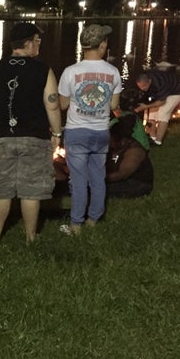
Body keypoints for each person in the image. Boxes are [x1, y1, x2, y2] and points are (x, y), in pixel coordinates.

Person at [0, 22, 63, 244]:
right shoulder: (43, 70)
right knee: (31, 190)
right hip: (35, 137)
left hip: (3, 137)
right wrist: (57, 133)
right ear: (27, 43)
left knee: (2, 189)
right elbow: (52, 105)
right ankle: (30, 236)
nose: (39, 46)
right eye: (37, 41)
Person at [58, 24, 121, 235]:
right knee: (97, 177)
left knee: (78, 180)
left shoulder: (70, 72)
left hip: (76, 132)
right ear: (102, 45)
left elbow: (64, 105)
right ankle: (94, 220)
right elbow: (113, 106)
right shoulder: (113, 72)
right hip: (101, 132)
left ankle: (76, 225)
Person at [106, 114, 154, 198]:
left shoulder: (134, 151)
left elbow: (122, 174)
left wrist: (97, 179)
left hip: (135, 183)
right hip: (117, 179)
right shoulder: (113, 146)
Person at [134, 68, 180, 145]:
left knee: (163, 113)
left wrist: (145, 106)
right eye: (140, 87)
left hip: (175, 92)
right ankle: (152, 137)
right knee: (151, 113)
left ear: (149, 81)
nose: (142, 89)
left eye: (144, 86)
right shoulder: (146, 78)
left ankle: (158, 141)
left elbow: (161, 102)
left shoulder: (159, 84)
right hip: (162, 90)